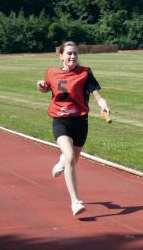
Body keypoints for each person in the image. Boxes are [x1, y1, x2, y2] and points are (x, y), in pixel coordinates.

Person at [36, 41, 110, 216]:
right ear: (60, 56)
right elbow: (47, 88)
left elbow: (97, 95)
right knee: (70, 158)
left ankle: (62, 161)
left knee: (72, 162)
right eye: (69, 53)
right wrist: (41, 86)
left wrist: (104, 105)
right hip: (61, 121)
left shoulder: (85, 73)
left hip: (80, 122)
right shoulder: (51, 72)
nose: (72, 57)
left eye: (75, 53)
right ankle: (75, 202)